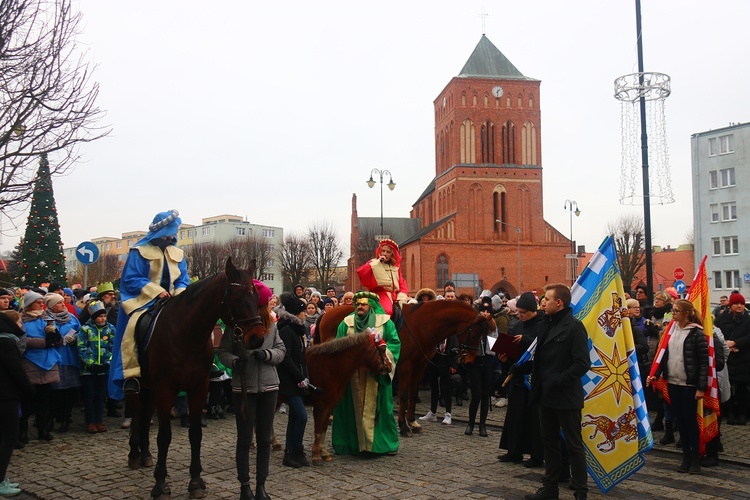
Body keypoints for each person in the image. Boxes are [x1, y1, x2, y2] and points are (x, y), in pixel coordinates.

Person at [109, 210, 190, 398]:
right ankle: (131, 375)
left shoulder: (178, 253)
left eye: (174, 232)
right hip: (144, 300)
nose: (172, 236)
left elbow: (183, 279)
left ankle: (203, 364)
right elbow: (131, 279)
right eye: (170, 231)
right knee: (133, 327)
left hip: (174, 299)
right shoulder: (138, 251)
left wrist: (179, 294)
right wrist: (156, 291)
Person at [217, 280, 284, 500]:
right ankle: (244, 485)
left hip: (268, 387)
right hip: (243, 388)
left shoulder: (272, 327)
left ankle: (261, 486)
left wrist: (267, 356)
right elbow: (223, 352)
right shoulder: (236, 327)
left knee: (264, 440)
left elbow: (281, 350)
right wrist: (235, 362)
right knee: (245, 439)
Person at [525, 283, 590, 500]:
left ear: (559, 303)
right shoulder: (545, 324)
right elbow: (540, 359)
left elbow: (582, 363)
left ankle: (581, 491)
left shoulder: (574, 327)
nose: (543, 303)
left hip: (566, 395)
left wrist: (558, 379)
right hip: (546, 394)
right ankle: (550, 488)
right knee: (549, 442)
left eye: (547, 299)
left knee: (573, 445)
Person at [332, 291, 400, 455]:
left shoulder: (385, 323)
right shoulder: (346, 323)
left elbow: (394, 343)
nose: (360, 307)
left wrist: (382, 358)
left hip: (375, 375)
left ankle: (381, 445)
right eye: (358, 304)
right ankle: (351, 444)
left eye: (363, 304)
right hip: (352, 376)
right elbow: (338, 344)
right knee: (349, 410)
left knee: (382, 410)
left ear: (371, 305)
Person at [647, 299, 708, 474]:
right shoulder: (670, 332)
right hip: (673, 382)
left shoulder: (696, 334)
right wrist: (655, 375)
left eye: (676, 311)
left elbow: (703, 363)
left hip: (689, 384)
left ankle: (695, 458)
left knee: (690, 422)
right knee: (680, 420)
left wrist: (701, 387)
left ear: (686, 313)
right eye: (673, 311)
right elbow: (663, 356)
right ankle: (685, 457)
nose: (673, 314)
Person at [499, 292, 544, 467]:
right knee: (515, 415)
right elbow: (513, 350)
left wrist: (526, 340)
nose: (520, 316)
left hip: (533, 377)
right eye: (518, 312)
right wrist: (505, 358)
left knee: (534, 418)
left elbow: (541, 345)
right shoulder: (516, 325)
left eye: (523, 313)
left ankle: (536, 455)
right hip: (517, 374)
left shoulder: (542, 325)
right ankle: (514, 450)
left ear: (533, 311)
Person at [0, 310, 35, 497]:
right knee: (8, 438)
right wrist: (29, 390)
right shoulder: (6, 342)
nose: (22, 325)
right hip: (6, 396)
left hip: (5, 394)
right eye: (20, 322)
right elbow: (16, 370)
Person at [20, 290, 62, 442]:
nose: (41, 304)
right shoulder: (22, 320)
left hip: (47, 363)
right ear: (30, 304)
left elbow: (59, 340)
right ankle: (22, 431)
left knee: (45, 400)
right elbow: (23, 340)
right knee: (27, 399)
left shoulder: (48, 319)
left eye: (41, 302)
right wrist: (45, 343)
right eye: (38, 302)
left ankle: (43, 430)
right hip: (30, 362)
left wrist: (56, 337)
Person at [276, 293, 310, 468]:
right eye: (303, 312)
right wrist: (299, 376)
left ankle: (292, 452)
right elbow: (286, 357)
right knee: (302, 417)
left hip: (299, 380)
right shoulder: (286, 331)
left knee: (295, 417)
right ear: (296, 313)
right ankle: (294, 449)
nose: (305, 315)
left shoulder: (297, 331)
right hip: (289, 381)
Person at [45, 293, 81, 434]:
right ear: (52, 306)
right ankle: (54, 418)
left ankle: (66, 419)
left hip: (69, 358)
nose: (63, 304)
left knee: (67, 391)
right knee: (54, 392)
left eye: (62, 302)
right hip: (53, 359)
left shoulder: (71, 318)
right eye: (59, 303)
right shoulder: (46, 319)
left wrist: (75, 338)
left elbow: (80, 331)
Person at [77, 301, 115, 433]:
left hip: (104, 369)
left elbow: (114, 347)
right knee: (89, 395)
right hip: (89, 371)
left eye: (104, 316)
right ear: (94, 317)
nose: (103, 319)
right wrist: (91, 363)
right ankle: (90, 421)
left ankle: (99, 420)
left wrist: (107, 362)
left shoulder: (110, 329)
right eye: (100, 316)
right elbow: (81, 348)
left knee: (100, 395)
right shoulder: (85, 329)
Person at [715, 292, 750, 425]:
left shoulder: (748, 318)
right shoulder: (722, 318)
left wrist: (736, 343)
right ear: (731, 305)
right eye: (736, 304)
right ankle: (730, 413)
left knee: (742, 387)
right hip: (727, 357)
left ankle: (742, 414)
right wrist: (726, 345)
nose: (739, 306)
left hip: (743, 358)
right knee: (727, 387)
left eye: (741, 303)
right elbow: (717, 333)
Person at [465, 296, 495, 437]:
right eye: (482, 311)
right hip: (475, 363)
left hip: (488, 363)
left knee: (485, 395)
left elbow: (495, 345)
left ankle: (482, 425)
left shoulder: (493, 326)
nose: (485, 314)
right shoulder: (475, 324)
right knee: (476, 395)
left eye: (488, 311)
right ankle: (471, 423)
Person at [356, 239, 409, 316]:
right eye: (383, 251)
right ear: (380, 252)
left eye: (388, 252)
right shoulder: (373, 263)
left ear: (392, 254)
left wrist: (402, 295)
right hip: (380, 295)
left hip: (396, 296)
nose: (385, 254)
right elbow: (362, 272)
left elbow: (402, 283)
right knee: (387, 311)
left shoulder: (396, 267)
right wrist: (378, 262)